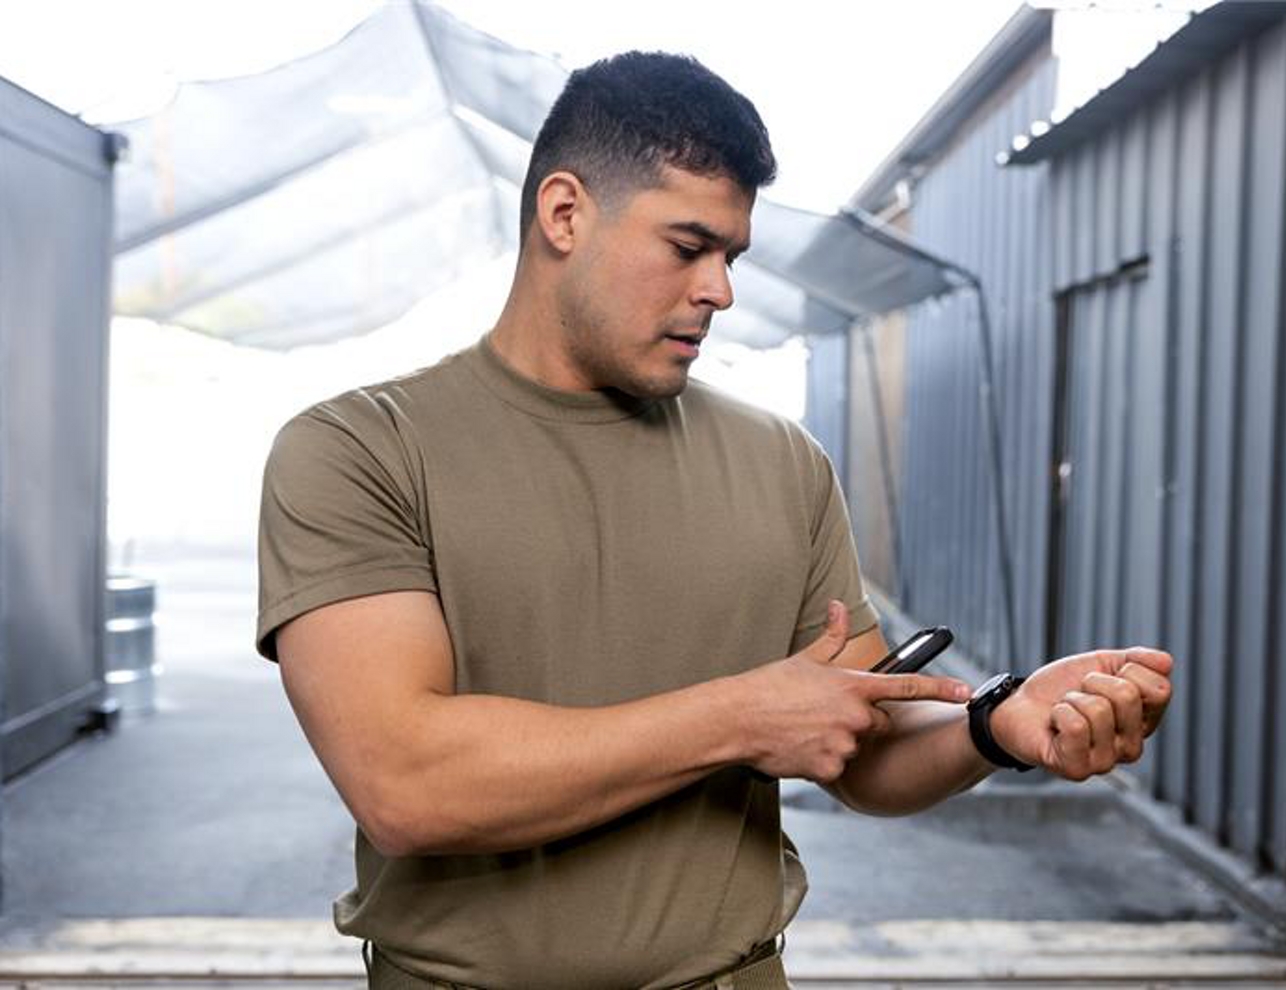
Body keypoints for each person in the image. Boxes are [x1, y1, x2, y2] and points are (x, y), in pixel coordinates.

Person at [255, 51, 1173, 990]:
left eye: (730, 256)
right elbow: (408, 785)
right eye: (687, 246)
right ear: (564, 214)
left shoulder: (782, 462)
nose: (720, 291)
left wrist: (996, 724)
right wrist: (740, 718)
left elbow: (861, 749)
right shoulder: (361, 451)